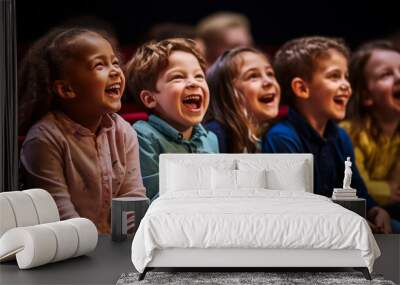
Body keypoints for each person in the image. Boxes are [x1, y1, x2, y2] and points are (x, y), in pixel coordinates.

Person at [19, 27, 146, 233]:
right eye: (99, 65)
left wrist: (125, 248)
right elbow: (61, 216)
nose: (115, 71)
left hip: (113, 251)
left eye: (114, 62)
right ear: (67, 89)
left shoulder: (123, 131)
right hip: (70, 250)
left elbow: (132, 198)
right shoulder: (44, 140)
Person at [262, 36, 394, 233]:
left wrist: (375, 210)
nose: (346, 85)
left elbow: (358, 191)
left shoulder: (339, 135)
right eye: (334, 76)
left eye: (346, 76)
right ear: (302, 88)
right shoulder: (282, 138)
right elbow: (295, 210)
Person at [125, 38, 219, 201]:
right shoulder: (142, 137)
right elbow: (153, 200)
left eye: (199, 76)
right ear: (149, 99)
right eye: (178, 77)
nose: (193, 83)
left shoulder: (210, 139)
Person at [341, 40, 400, 223]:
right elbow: (356, 187)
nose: (399, 77)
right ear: (366, 96)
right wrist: (388, 190)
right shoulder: (348, 133)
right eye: (386, 74)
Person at [204, 46, 280, 153]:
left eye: (270, 74)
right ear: (228, 91)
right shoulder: (216, 136)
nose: (268, 82)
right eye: (253, 76)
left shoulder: (266, 136)